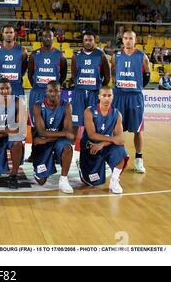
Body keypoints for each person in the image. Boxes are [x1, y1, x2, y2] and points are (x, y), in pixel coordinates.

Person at [112, 30, 150, 173]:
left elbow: (146, 75)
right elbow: (113, 72)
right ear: (122, 40)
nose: (128, 41)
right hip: (119, 95)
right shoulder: (116, 56)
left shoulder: (142, 56)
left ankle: (138, 159)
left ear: (135, 40)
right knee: (115, 128)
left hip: (135, 97)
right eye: (126, 38)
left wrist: (137, 86)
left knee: (137, 129)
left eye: (131, 38)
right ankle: (115, 156)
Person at [78, 86, 129, 194]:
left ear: (113, 97)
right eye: (104, 95)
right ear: (99, 97)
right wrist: (112, 139)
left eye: (109, 95)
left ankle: (114, 181)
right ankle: (81, 165)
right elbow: (91, 134)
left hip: (104, 146)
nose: (107, 98)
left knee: (121, 151)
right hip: (89, 147)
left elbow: (119, 139)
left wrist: (102, 144)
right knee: (92, 182)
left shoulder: (117, 114)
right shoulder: (89, 111)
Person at [27, 29, 67, 162]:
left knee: (54, 124)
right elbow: (30, 75)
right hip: (37, 92)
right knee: (35, 125)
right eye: (45, 36)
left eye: (49, 36)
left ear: (53, 37)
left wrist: (53, 89)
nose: (47, 38)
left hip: (53, 94)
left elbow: (63, 76)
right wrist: (39, 86)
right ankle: (34, 153)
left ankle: (55, 152)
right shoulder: (34, 55)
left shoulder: (60, 55)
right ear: (41, 38)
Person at [32, 81, 75, 193]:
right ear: (46, 92)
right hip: (45, 142)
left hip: (51, 141)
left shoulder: (66, 106)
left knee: (68, 148)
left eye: (56, 90)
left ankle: (64, 179)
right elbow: (41, 131)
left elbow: (68, 130)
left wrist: (47, 138)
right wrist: (64, 134)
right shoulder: (37, 106)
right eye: (50, 90)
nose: (53, 93)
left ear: (61, 91)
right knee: (41, 181)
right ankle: (39, 166)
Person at [71, 31, 111, 131]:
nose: (88, 42)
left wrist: (99, 87)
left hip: (94, 93)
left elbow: (107, 76)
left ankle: (92, 144)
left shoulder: (101, 55)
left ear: (94, 41)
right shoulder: (76, 56)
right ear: (83, 41)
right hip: (79, 93)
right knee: (75, 122)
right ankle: (72, 145)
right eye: (86, 40)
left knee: (94, 122)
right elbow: (73, 75)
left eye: (90, 40)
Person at [0, 24, 28, 97]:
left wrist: (17, 77)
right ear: (2, 34)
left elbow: (24, 68)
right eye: (6, 32)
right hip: (0, 87)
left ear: (14, 34)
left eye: (11, 32)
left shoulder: (22, 50)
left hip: (17, 86)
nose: (9, 34)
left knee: (18, 108)